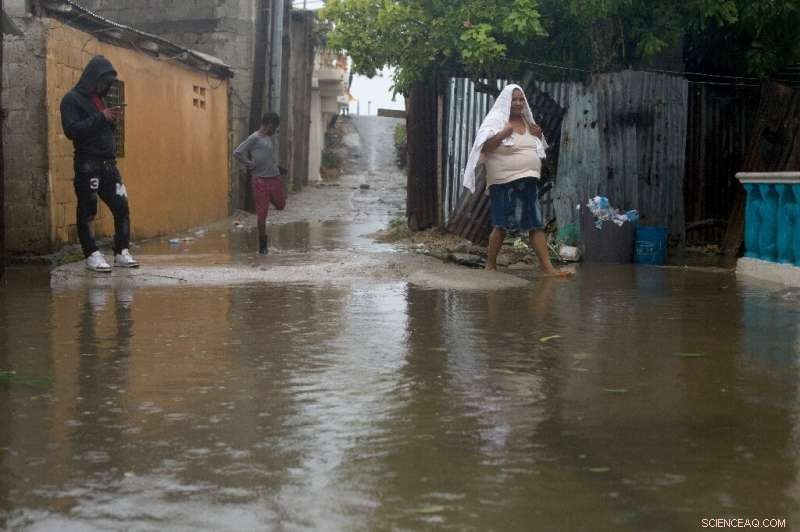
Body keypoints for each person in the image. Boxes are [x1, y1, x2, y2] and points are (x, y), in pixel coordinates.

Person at [463, 84, 570, 276]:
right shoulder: (495, 120)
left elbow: (539, 147)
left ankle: (547, 268)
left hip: (528, 180)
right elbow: (484, 147)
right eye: (515, 100)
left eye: (521, 99)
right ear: (506, 101)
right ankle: (490, 266)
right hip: (503, 181)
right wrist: (503, 134)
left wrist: (538, 135)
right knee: (501, 225)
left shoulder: (527, 121)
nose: (519, 103)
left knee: (535, 223)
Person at [60, 54, 138, 272]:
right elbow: (72, 130)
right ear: (92, 78)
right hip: (88, 164)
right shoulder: (71, 99)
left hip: (108, 165)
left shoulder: (99, 100)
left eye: (109, 83)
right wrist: (101, 117)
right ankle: (91, 253)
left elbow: (99, 128)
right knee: (88, 209)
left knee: (121, 206)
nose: (106, 87)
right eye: (103, 81)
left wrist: (110, 121)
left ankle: (122, 251)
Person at [233, 112, 286, 254]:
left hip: (274, 177)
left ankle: (268, 199)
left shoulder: (269, 138)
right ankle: (263, 247)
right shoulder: (254, 138)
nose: (276, 131)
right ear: (270, 125)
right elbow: (237, 152)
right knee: (262, 214)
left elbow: (267, 156)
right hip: (260, 180)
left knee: (281, 205)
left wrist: (277, 168)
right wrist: (249, 164)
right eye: (275, 128)